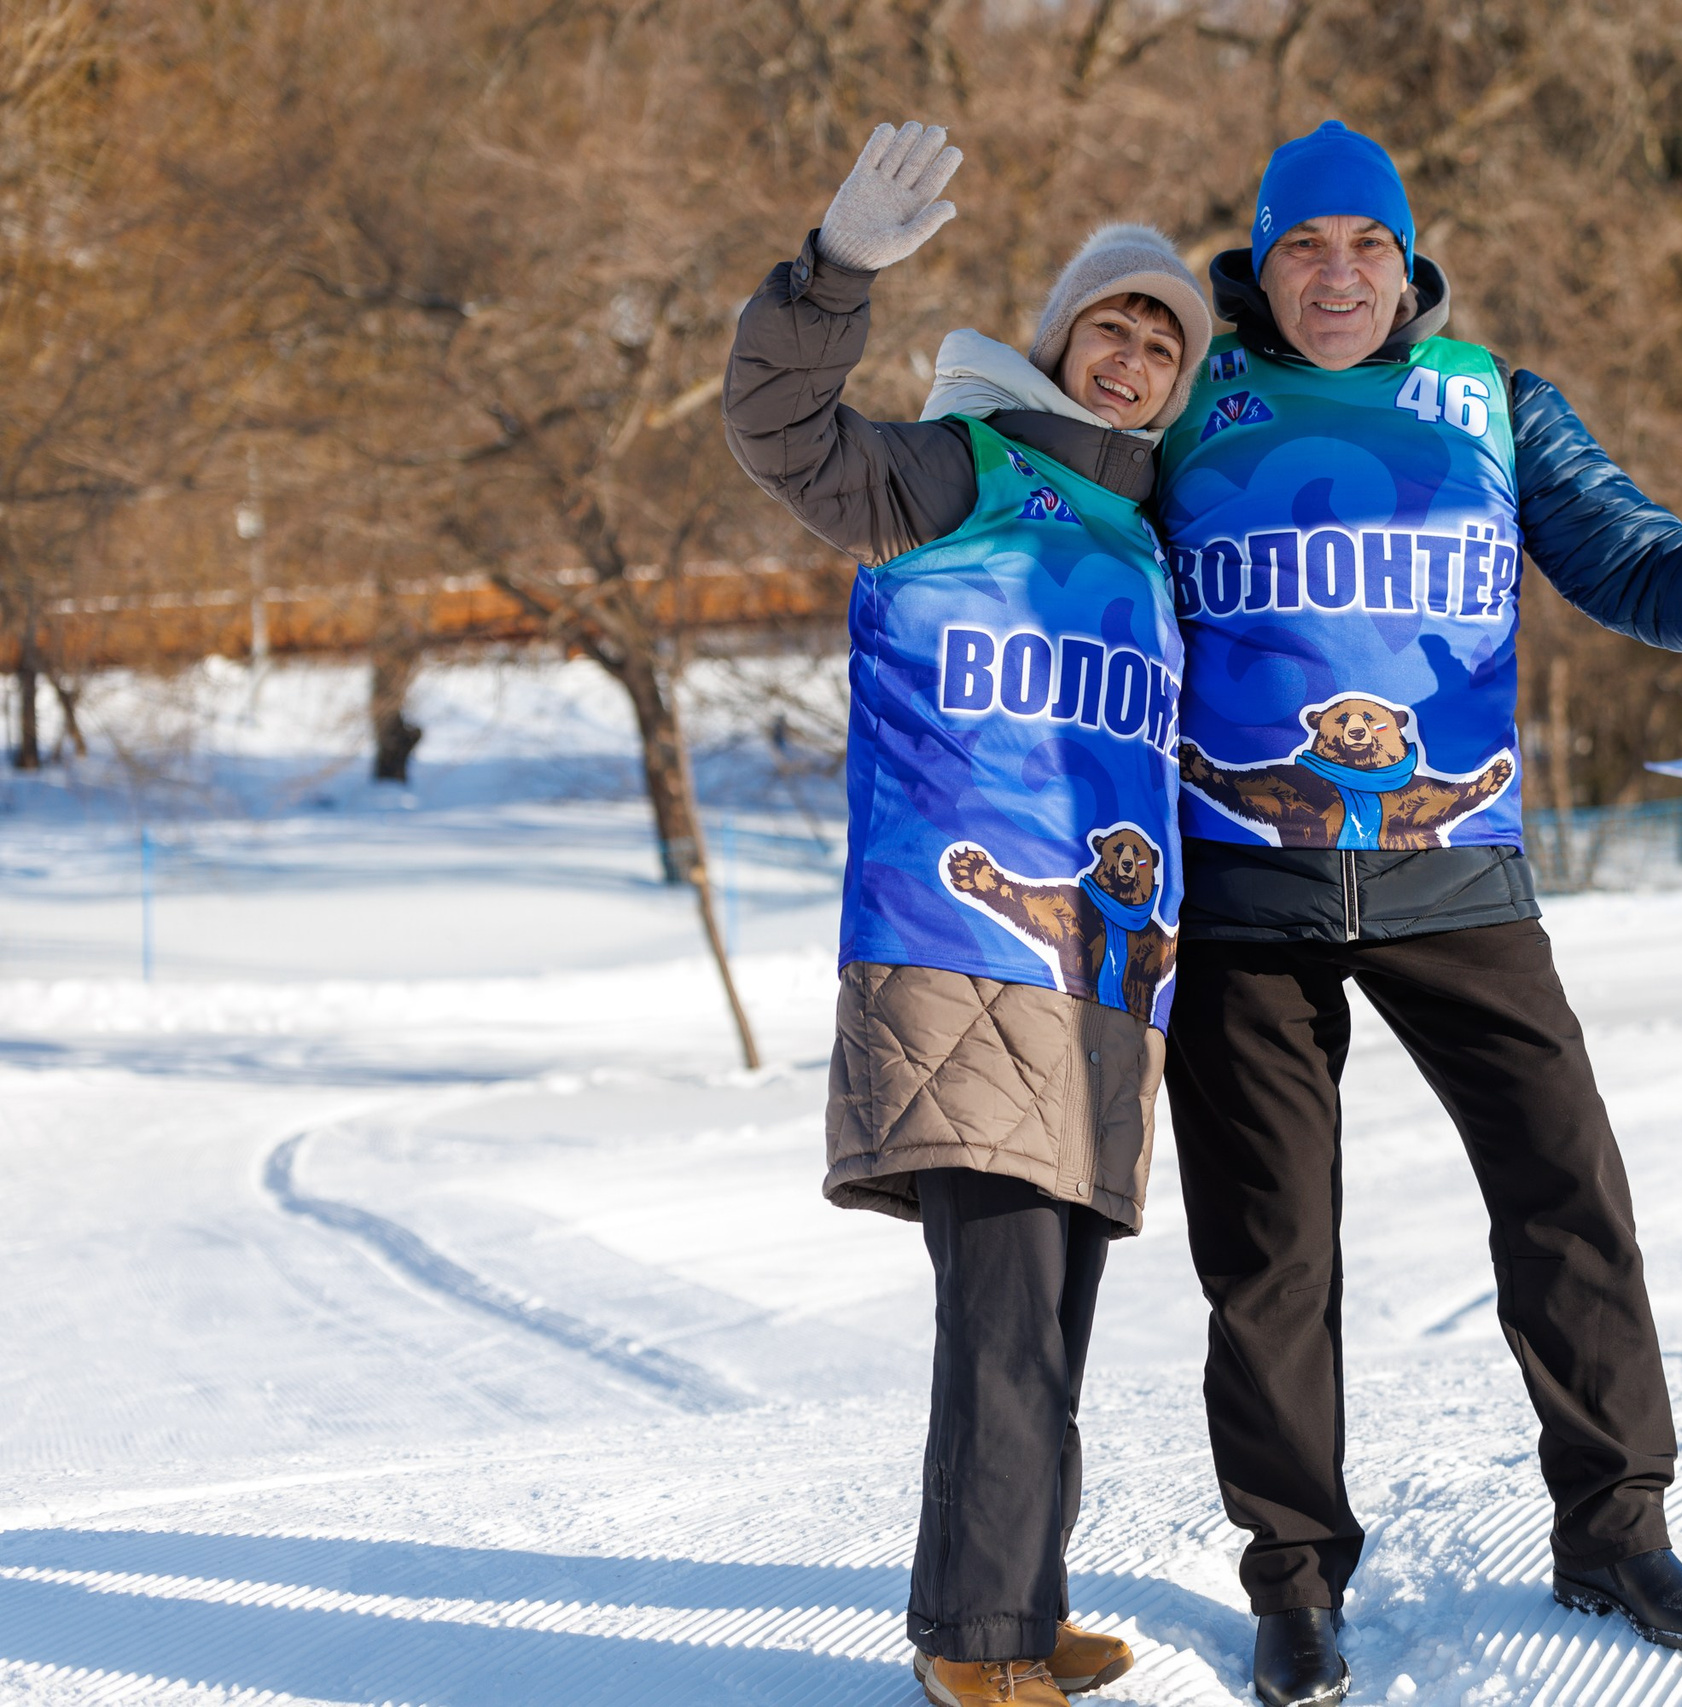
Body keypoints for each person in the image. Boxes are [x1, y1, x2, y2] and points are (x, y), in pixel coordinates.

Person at [1152, 120, 1682, 1706]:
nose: (1337, 275)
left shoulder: (1493, 402)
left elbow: (1625, 554)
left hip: (1458, 870)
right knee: (1269, 1250)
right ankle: (1296, 1576)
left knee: (1566, 1192)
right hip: (1244, 878)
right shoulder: (1194, 400)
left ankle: (1615, 1525)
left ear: (1410, 265)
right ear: (1263, 265)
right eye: (1306, 248)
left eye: (1367, 249)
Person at [722, 121, 1211, 1707]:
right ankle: (972, 1645)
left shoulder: (1147, 543)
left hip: (1100, 985)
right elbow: (781, 428)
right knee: (1002, 1312)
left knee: (1051, 1313)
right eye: (1111, 322)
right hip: (952, 952)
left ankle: (1012, 1601)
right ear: (1060, 335)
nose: (1133, 352)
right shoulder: (960, 469)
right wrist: (832, 276)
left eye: (1162, 338)